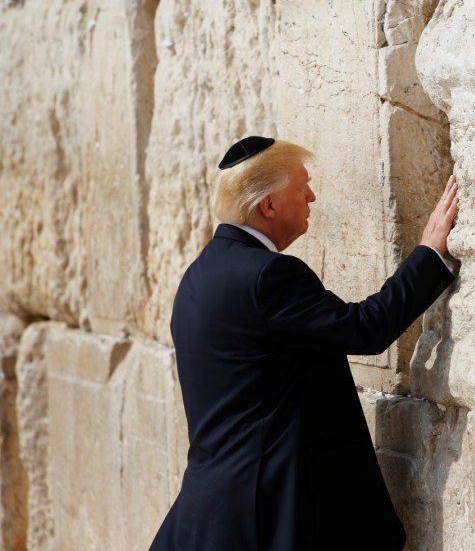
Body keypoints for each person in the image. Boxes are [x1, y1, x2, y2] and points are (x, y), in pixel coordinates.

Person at [148, 136, 458, 551]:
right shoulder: (267, 277)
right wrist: (428, 253)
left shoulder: (198, 276)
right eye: (301, 186)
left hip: (215, 508)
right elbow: (364, 328)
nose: (311, 196)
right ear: (268, 206)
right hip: (272, 514)